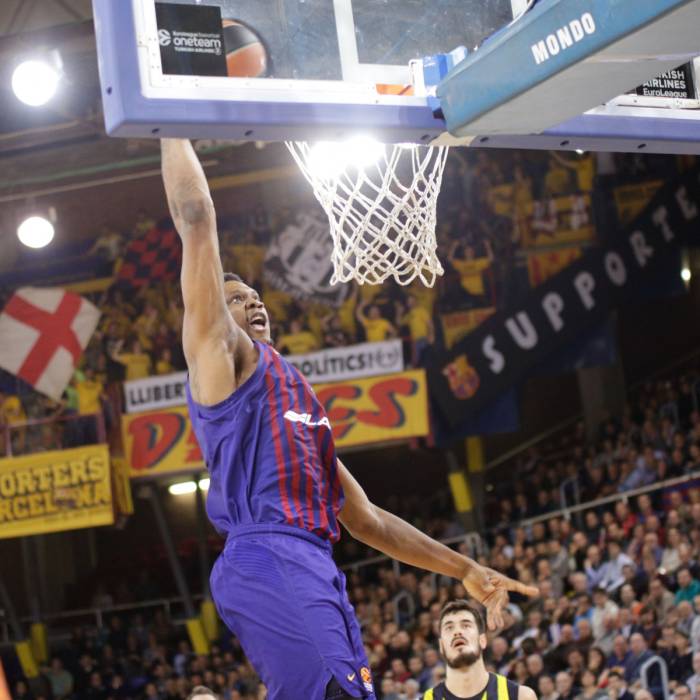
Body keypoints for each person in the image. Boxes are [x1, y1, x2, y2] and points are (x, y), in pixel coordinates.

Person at [161, 139, 538, 700]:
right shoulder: (222, 360)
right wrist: (170, 124)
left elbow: (369, 521)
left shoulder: (300, 404)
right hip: (268, 552)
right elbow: (197, 219)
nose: (255, 303)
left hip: (311, 561)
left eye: (258, 296)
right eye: (238, 299)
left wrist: (462, 569)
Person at [423, 600, 537, 700]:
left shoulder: (521, 696)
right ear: (441, 646)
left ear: (482, 640)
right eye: (449, 628)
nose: (457, 632)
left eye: (466, 625)